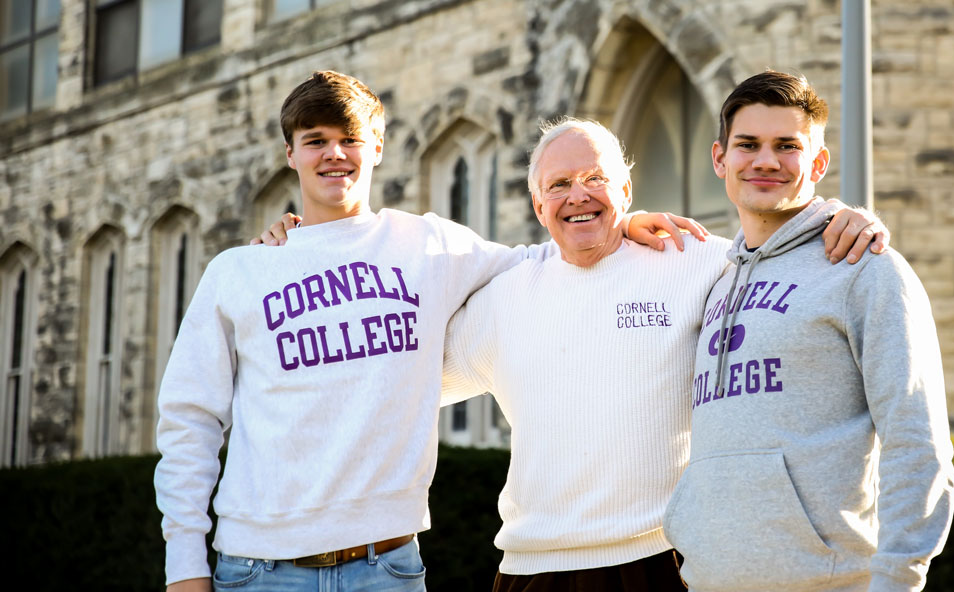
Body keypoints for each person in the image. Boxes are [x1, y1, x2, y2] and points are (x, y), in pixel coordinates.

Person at [154, 71, 698, 592]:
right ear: (290, 153)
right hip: (258, 571)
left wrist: (619, 223)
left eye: (351, 138)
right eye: (314, 140)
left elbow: (543, 258)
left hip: (386, 568)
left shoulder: (428, 246)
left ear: (379, 147)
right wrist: (183, 566)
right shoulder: (241, 271)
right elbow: (189, 420)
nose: (335, 154)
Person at [441, 118, 889, 592]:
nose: (578, 196)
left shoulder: (692, 259)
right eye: (559, 185)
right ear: (537, 203)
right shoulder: (503, 298)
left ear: (627, 189)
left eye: (596, 179)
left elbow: (779, 254)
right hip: (530, 568)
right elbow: (404, 381)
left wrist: (840, 218)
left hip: (661, 561)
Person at [662, 71, 954, 592]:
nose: (766, 161)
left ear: (818, 162)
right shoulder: (712, 279)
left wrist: (897, 582)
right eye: (747, 144)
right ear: (719, 159)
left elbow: (916, 440)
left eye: (787, 146)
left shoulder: (865, 267)